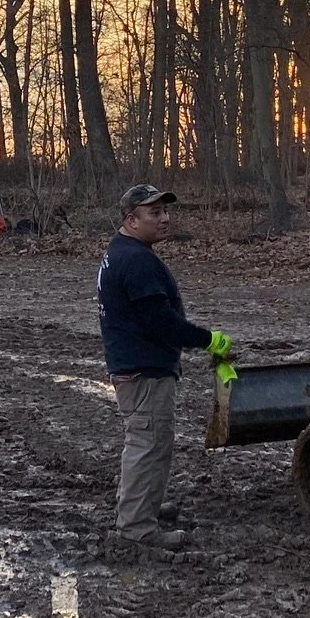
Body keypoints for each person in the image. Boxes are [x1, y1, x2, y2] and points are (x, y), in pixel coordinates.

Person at [96, 184, 231, 551]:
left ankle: (145, 505)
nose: (165, 218)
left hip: (135, 364)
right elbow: (163, 323)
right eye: (154, 213)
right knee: (148, 443)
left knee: (147, 442)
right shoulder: (137, 261)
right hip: (144, 369)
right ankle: (137, 529)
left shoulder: (123, 252)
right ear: (131, 219)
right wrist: (209, 340)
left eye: (165, 211)